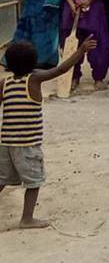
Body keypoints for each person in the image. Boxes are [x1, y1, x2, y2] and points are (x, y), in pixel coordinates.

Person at [1, 36, 97, 229]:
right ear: (34, 62)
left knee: (1, 179)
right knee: (33, 181)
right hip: (27, 144)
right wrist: (81, 51)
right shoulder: (34, 80)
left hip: (6, 143)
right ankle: (27, 219)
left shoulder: (5, 83)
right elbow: (61, 69)